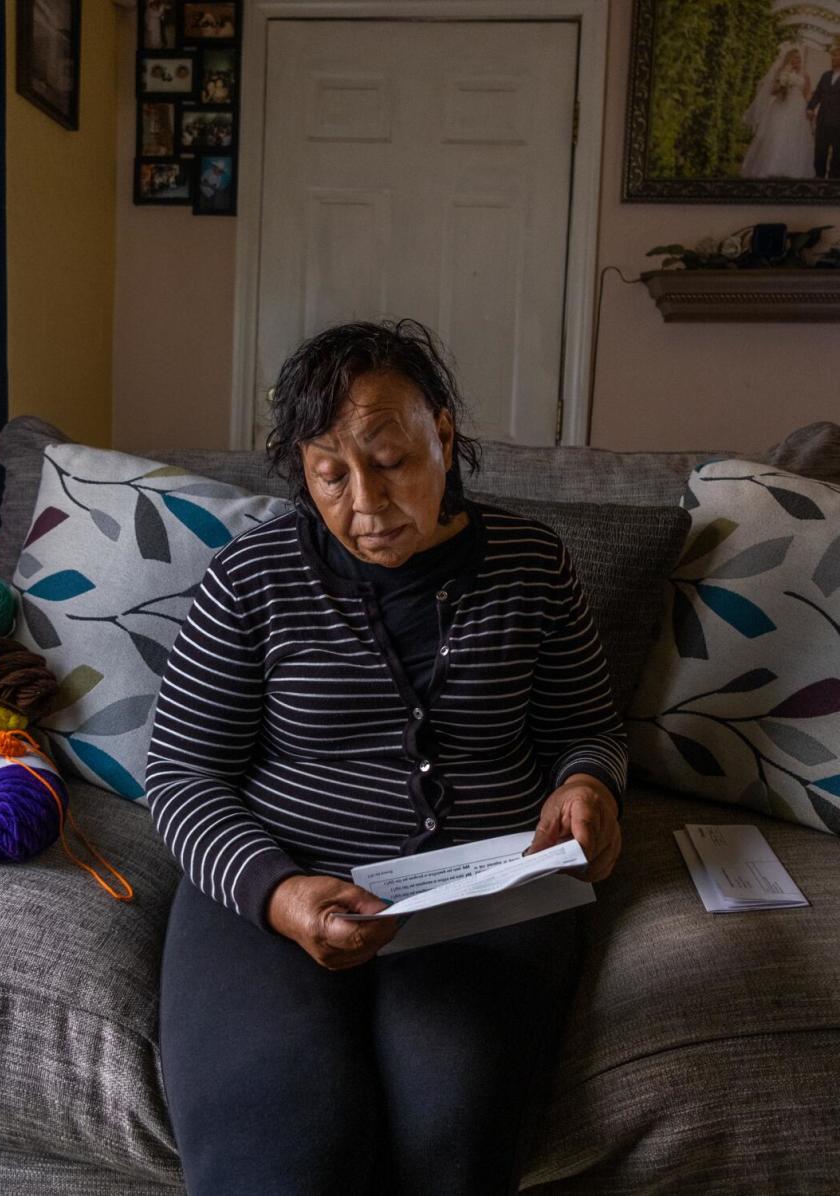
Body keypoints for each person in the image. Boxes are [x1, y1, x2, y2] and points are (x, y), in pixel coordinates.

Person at [146, 320, 627, 1196]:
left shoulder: (532, 564)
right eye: (331, 472)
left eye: (392, 459)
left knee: (455, 1140)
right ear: (303, 468)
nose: (365, 501)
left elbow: (585, 727)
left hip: (482, 902)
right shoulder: (250, 579)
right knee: (277, 1158)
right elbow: (180, 774)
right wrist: (280, 893)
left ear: (443, 433)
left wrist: (588, 784)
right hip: (274, 886)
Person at [741, 47, 814, 178]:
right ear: (789, 59)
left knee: (795, 137)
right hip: (782, 105)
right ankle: (771, 168)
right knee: (777, 135)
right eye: (795, 58)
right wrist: (782, 87)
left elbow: (807, 94)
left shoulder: (805, 75)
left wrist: (810, 108)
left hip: (798, 108)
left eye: (799, 58)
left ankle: (793, 170)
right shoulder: (781, 72)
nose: (797, 60)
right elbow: (772, 91)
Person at [807, 40, 840, 178]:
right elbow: (818, 94)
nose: (833, 58)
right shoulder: (825, 75)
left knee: (838, 155)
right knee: (820, 152)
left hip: (838, 123)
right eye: (832, 56)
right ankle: (818, 181)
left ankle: (832, 184)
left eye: (837, 56)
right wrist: (810, 107)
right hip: (823, 121)